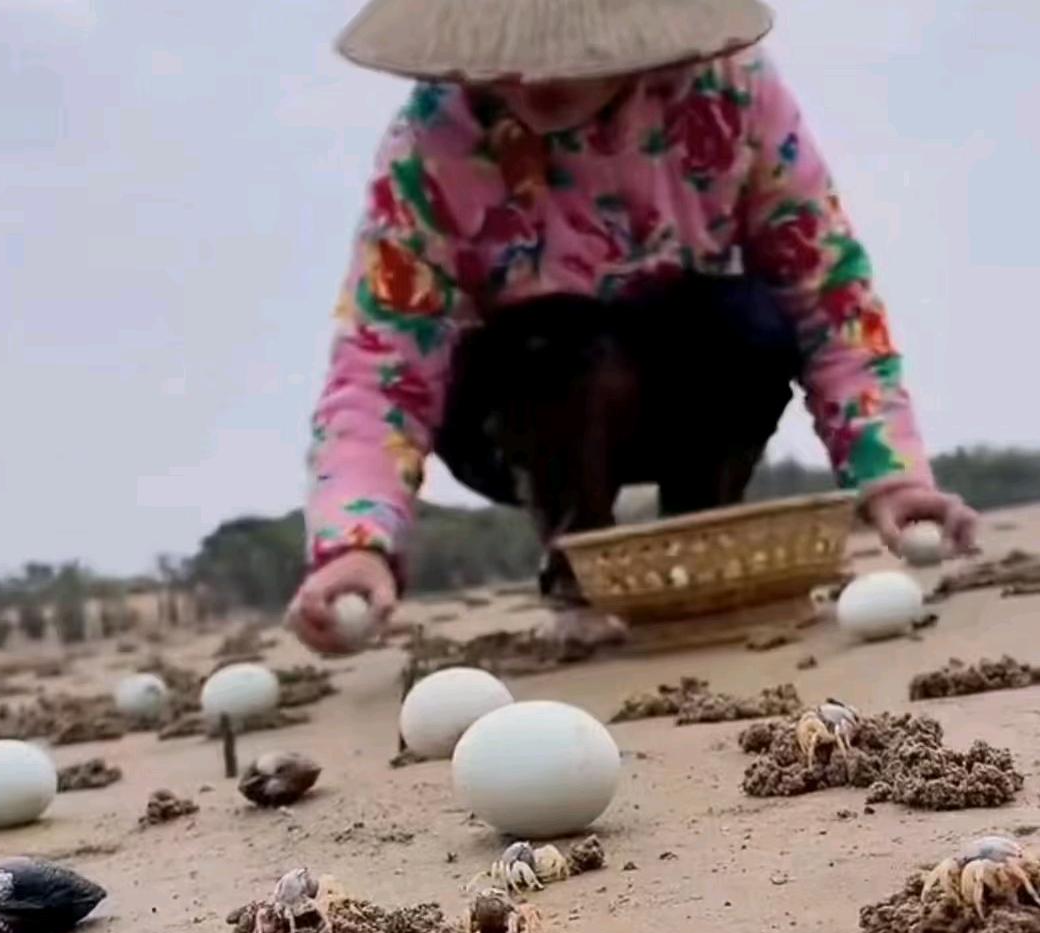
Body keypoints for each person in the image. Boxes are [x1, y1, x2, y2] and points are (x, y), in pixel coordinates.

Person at [288, 0, 978, 654]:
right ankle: (575, 566)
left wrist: (893, 478)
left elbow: (831, 300)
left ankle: (700, 539)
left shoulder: (729, 95)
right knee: (560, 343)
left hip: (684, 384)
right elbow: (381, 364)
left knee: (746, 322)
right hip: (523, 410)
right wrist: (356, 544)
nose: (535, 74)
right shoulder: (437, 142)